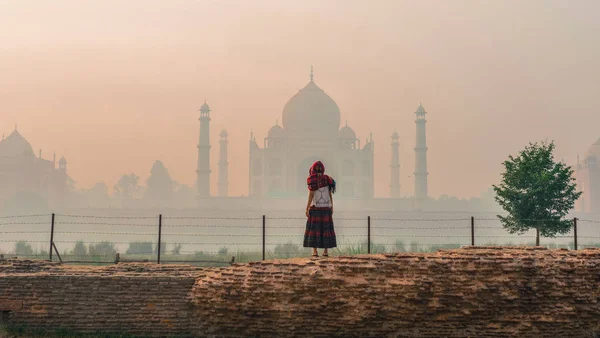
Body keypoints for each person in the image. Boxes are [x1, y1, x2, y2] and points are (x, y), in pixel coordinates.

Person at [303, 161, 337, 257]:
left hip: (316, 208)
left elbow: (311, 194)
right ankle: (325, 252)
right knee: (325, 230)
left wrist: (307, 207)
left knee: (315, 231)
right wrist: (332, 206)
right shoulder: (327, 179)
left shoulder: (312, 180)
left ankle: (315, 252)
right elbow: (330, 194)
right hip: (326, 208)